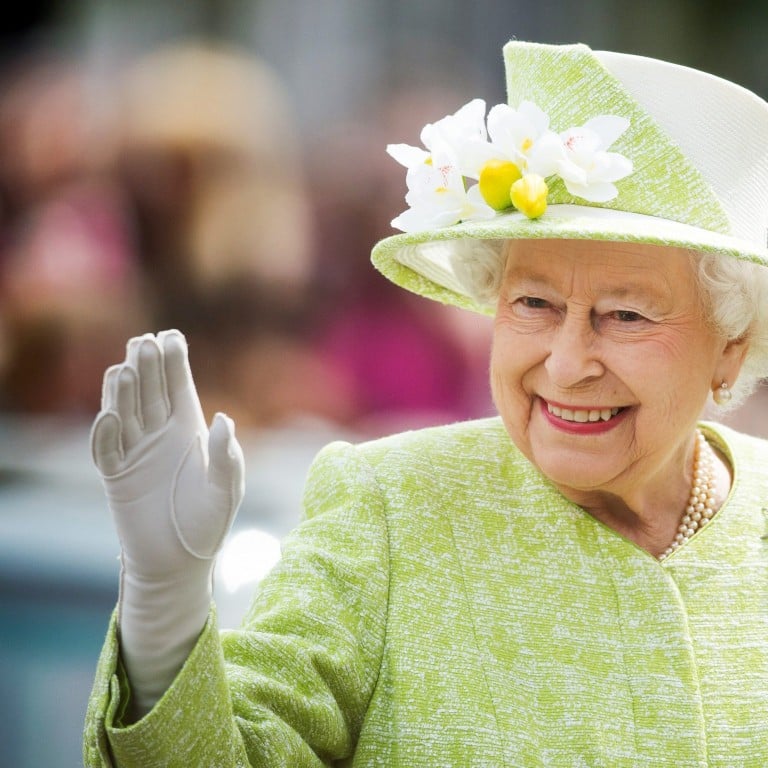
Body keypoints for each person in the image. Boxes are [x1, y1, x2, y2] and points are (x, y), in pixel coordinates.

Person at [83, 40, 768, 766]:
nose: (566, 365)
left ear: (732, 342)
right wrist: (165, 610)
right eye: (532, 302)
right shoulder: (391, 509)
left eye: (626, 315)